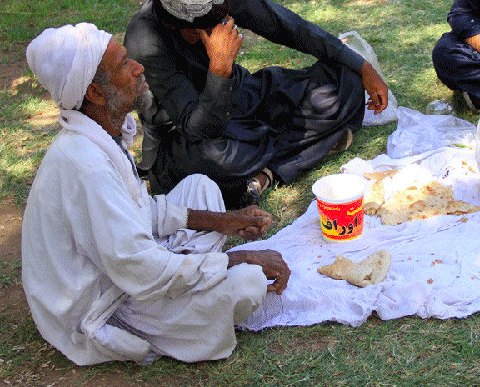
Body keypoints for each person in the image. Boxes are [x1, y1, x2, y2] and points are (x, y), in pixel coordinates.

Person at [21, 22, 290, 366]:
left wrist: (224, 221)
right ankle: (189, 291)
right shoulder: (85, 165)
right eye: (122, 65)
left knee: (202, 187)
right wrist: (239, 258)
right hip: (105, 306)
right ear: (96, 94)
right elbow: (139, 266)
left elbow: (137, 210)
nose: (138, 68)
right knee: (248, 283)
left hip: (125, 271)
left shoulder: (97, 135)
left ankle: (189, 271)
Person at [124, 0, 389, 206]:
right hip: (191, 137)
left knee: (347, 83)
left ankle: (266, 169)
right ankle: (292, 153)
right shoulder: (146, 41)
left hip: (241, 97)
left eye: (223, 23)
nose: (219, 31)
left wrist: (360, 64)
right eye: (206, 31)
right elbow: (197, 129)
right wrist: (219, 67)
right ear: (176, 26)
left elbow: (284, 25)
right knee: (217, 160)